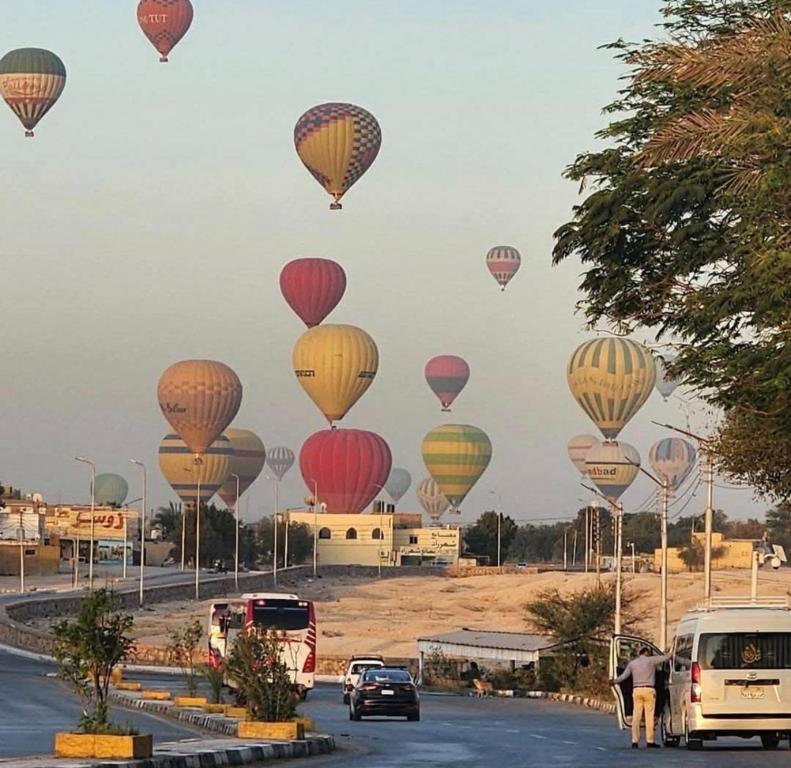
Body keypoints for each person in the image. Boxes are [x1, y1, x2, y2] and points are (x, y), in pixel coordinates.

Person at [611, 646, 671, 749]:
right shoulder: (651, 660)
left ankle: (634, 741)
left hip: (637, 690)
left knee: (636, 717)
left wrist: (614, 681)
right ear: (647, 653)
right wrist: (672, 650)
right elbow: (666, 658)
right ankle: (650, 741)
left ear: (640, 653)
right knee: (649, 716)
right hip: (649, 690)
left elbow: (623, 676)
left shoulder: (633, 663)